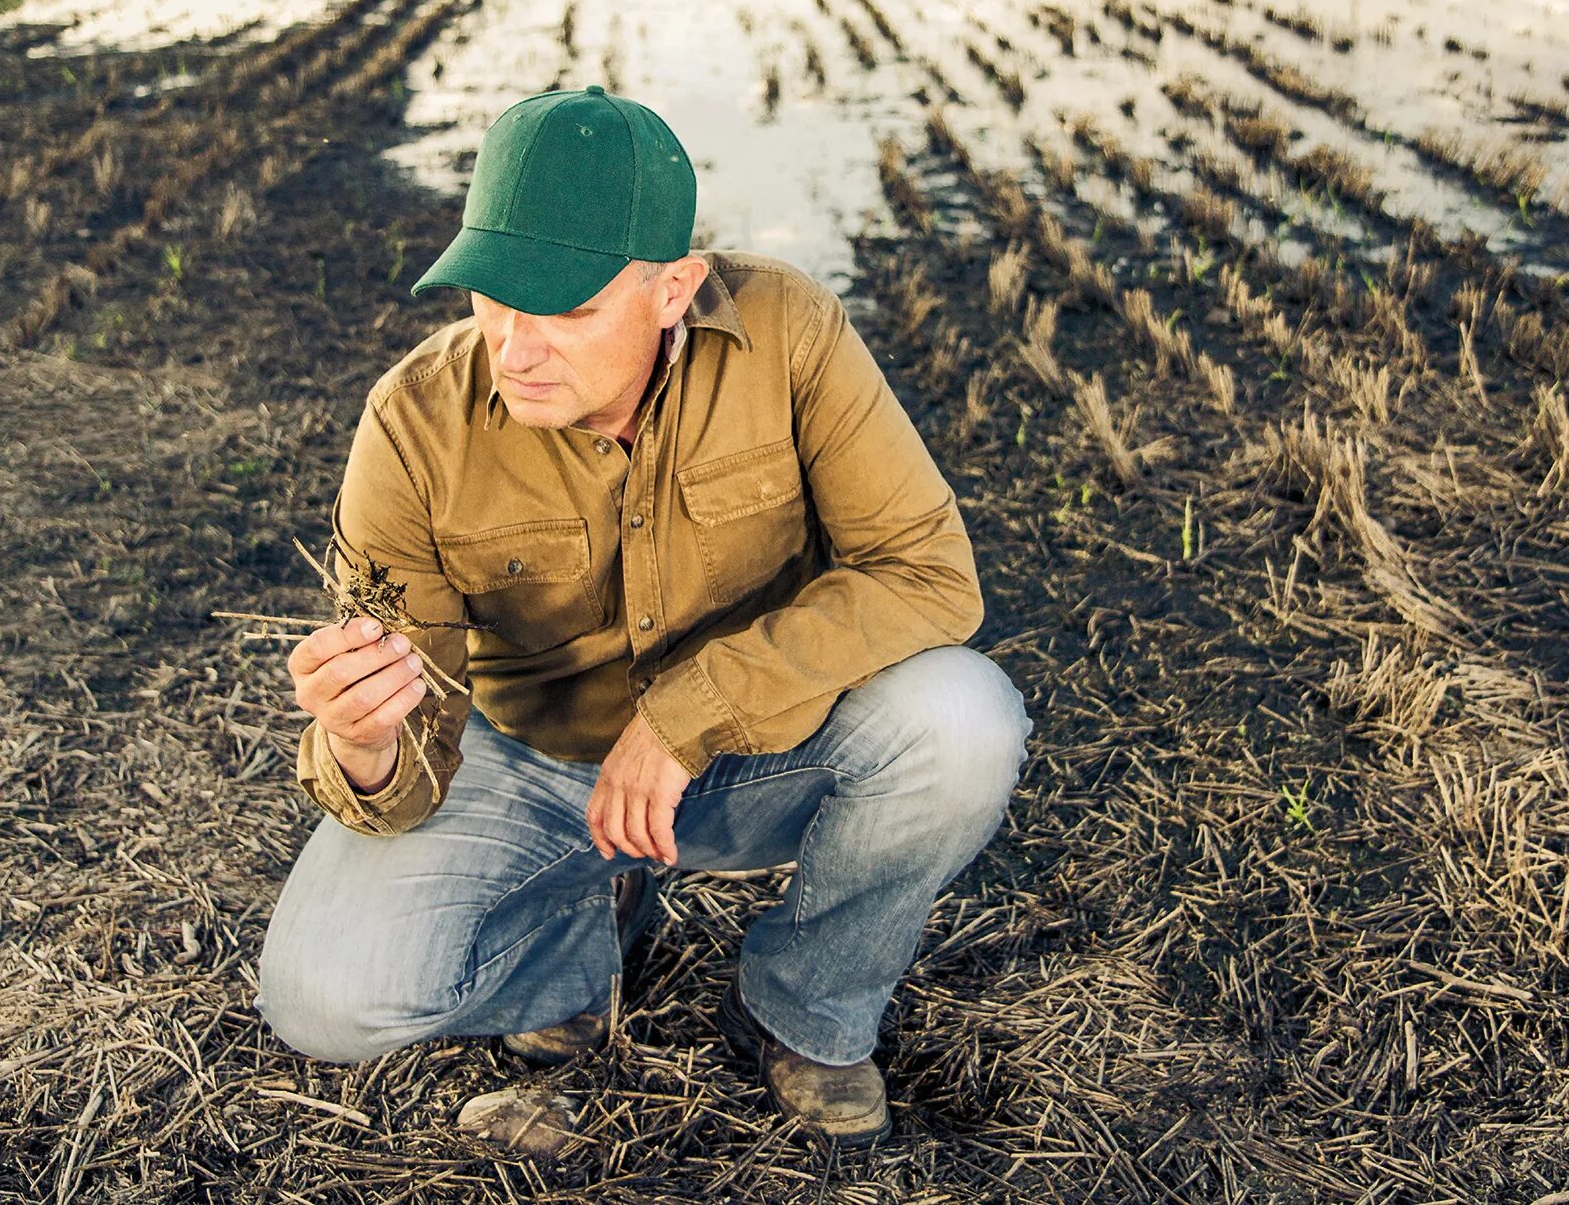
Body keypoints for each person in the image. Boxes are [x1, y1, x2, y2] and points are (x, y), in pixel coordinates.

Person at [254, 84, 1032, 1152]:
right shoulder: (412, 421)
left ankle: (802, 1011)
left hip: (760, 749)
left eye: (566, 309)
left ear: (674, 289)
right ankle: (574, 950)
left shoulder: (789, 332)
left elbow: (929, 573)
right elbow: (414, 741)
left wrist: (687, 716)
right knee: (322, 1000)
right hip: (536, 766)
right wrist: (364, 743)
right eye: (493, 297)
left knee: (964, 720)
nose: (513, 348)